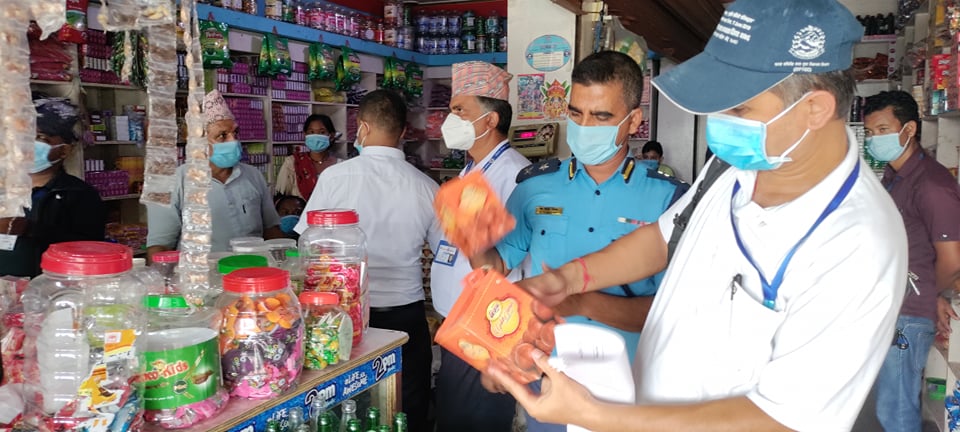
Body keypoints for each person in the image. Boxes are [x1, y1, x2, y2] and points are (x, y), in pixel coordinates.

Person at [486, 1, 909, 430]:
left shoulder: (857, 244)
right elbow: (663, 239)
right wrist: (566, 280)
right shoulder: (734, 167)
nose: (717, 122)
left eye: (738, 109)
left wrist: (596, 416)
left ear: (814, 109)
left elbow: (781, 419)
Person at [468, 51, 688, 432]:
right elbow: (496, 271)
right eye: (576, 113)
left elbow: (669, 313)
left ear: (633, 120)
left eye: (601, 117)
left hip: (629, 391)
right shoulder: (535, 187)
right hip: (547, 383)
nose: (585, 127)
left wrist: (581, 301)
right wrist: (471, 233)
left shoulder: (667, 199)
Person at [294, 89, 441, 432]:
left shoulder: (335, 177)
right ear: (403, 131)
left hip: (342, 313)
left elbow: (305, 244)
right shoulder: (427, 187)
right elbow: (443, 253)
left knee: (350, 404)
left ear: (362, 126)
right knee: (409, 402)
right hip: (406, 310)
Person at [431, 61, 530, 432]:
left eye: (460, 110)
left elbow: (503, 261)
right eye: (451, 109)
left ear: (490, 120)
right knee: (455, 417)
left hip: (485, 327)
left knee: (473, 421)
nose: (450, 119)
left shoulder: (512, 174)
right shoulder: (473, 169)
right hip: (460, 324)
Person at [860, 90, 960, 432]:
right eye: (870, 132)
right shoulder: (894, 176)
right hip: (896, 305)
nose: (874, 139)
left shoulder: (932, 185)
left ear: (909, 129)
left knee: (896, 410)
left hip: (910, 313)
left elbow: (952, 260)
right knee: (890, 404)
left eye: (883, 130)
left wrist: (932, 294)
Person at [146, 90, 284, 260]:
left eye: (235, 133)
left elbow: (271, 230)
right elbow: (160, 247)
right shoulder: (172, 183)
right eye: (222, 136)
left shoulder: (253, 176)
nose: (234, 141)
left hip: (252, 270)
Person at [0, 97, 106, 277]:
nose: (27, 145)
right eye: (24, 136)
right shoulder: (5, 189)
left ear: (64, 150)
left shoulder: (80, 194)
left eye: (41, 138)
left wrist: (29, 229)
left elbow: (89, 250)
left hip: (48, 286)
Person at [275, 114, 341, 200]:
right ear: (305, 135)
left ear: (331, 136)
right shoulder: (292, 163)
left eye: (322, 132)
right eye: (311, 132)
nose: (316, 136)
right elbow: (281, 198)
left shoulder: (341, 166)